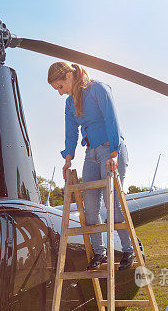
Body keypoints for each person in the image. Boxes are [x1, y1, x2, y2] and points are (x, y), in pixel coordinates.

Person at [47, 61, 135, 271]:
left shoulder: (98, 89)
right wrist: (68, 159)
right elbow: (71, 132)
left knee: (112, 203)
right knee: (90, 206)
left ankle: (129, 249)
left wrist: (114, 153)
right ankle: (100, 253)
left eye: (60, 87)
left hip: (111, 149)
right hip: (91, 153)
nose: (60, 93)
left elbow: (112, 120)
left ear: (68, 76)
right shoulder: (69, 103)